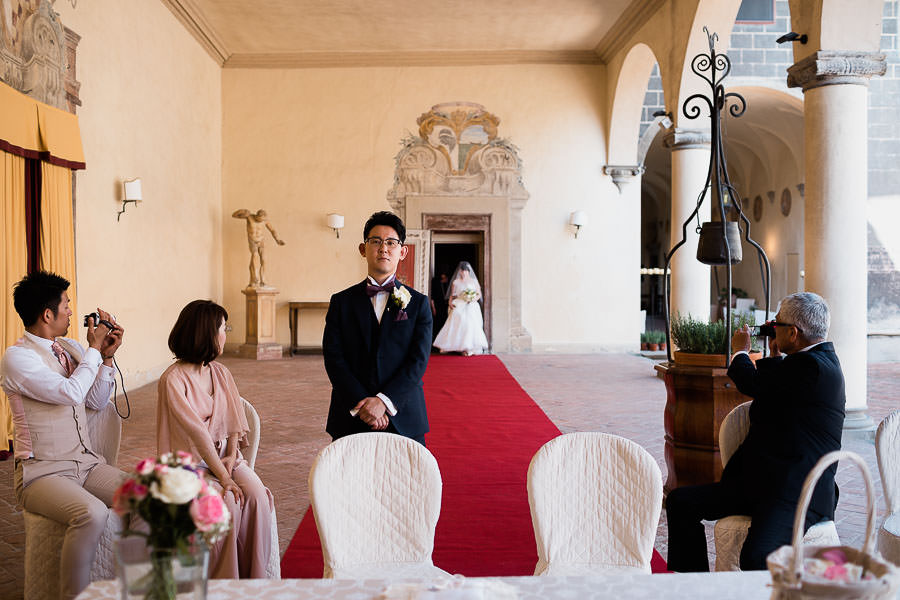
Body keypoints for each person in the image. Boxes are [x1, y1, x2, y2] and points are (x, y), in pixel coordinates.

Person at [666, 292, 845, 572]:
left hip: (797, 489)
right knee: (681, 502)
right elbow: (775, 388)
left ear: (793, 332)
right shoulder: (807, 361)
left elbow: (751, 382)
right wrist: (774, 353)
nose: (772, 326)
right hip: (763, 481)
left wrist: (740, 350)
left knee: (757, 556)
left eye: (777, 323)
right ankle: (694, 585)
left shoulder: (814, 367)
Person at [0, 271, 125, 600]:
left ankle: (134, 588)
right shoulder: (17, 358)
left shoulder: (69, 348)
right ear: (47, 314)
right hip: (41, 473)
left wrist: (106, 356)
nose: (71, 311)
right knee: (91, 513)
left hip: (86, 464)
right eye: (66, 305)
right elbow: (71, 393)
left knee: (146, 496)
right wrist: (94, 349)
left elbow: (94, 400)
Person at [157, 300, 274, 578]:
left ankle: (255, 581)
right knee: (228, 502)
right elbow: (198, 436)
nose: (226, 334)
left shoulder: (221, 372)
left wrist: (232, 457)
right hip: (190, 465)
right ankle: (226, 585)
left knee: (257, 496)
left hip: (224, 459)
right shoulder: (173, 380)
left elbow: (234, 421)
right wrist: (225, 478)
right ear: (206, 332)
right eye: (223, 328)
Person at [322, 210, 432, 444]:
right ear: (363, 249)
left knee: (408, 480)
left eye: (391, 242)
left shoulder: (418, 303)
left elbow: (418, 361)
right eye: (376, 242)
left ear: (402, 252)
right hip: (351, 415)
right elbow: (334, 358)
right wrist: (363, 403)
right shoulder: (341, 302)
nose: (383, 248)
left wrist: (384, 401)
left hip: (404, 415)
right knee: (350, 480)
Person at [433, 261, 489, 356]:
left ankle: (468, 347)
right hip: (459, 304)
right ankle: (452, 346)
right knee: (456, 323)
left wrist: (472, 299)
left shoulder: (473, 281)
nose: (463, 273)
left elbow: (478, 294)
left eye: (465, 271)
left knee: (469, 325)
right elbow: (452, 295)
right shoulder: (456, 282)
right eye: (461, 271)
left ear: (468, 272)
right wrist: (450, 302)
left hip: (471, 305)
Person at [232, 208, 285, 288]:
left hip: (261, 241)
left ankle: (263, 280)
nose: (260, 221)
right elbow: (234, 215)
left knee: (264, 260)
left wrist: (277, 239)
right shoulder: (249, 217)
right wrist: (242, 211)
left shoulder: (265, 221)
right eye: (259, 219)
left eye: (262, 220)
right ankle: (255, 278)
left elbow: (272, 230)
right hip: (252, 240)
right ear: (256, 216)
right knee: (255, 256)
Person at [429, 268, 450, 342]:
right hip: (438, 306)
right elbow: (432, 296)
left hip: (446, 305)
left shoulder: (449, 281)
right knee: (437, 324)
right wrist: (433, 308)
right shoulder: (435, 281)